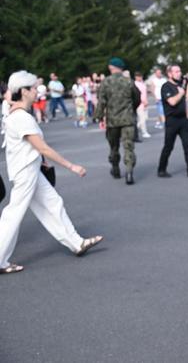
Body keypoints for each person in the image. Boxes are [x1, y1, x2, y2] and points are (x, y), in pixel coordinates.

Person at [0, 70, 103, 275]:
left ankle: (76, 243)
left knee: (53, 204)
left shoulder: (16, 114)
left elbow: (34, 149)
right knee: (13, 214)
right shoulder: (21, 117)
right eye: (34, 89)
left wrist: (42, 161)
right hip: (25, 172)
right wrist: (71, 166)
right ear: (24, 91)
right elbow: (43, 147)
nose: (38, 92)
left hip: (29, 169)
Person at [94, 57, 140, 184]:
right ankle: (129, 172)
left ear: (111, 67)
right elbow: (137, 98)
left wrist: (97, 116)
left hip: (112, 121)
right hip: (128, 120)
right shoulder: (128, 81)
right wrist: (132, 110)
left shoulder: (106, 82)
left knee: (113, 147)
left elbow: (101, 102)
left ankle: (115, 168)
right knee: (128, 147)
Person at [157, 65, 188, 178]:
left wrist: (187, 111)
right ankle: (161, 169)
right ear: (170, 74)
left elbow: (183, 102)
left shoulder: (180, 86)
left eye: (179, 71)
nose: (179, 73)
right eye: (176, 71)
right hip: (172, 121)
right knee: (168, 146)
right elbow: (172, 102)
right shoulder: (166, 87)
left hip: (183, 120)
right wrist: (181, 93)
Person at [134, 72, 150, 139]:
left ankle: (136, 127)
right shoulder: (135, 84)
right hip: (140, 103)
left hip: (145, 102)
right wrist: (143, 101)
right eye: (138, 76)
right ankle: (144, 132)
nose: (140, 77)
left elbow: (145, 93)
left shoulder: (142, 83)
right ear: (136, 77)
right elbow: (138, 94)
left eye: (141, 76)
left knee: (146, 117)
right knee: (142, 118)